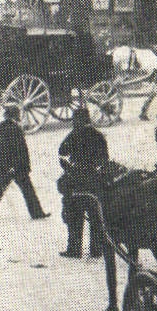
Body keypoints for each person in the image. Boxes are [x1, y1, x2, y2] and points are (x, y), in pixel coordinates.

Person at [57, 105, 108, 258]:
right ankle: (96, 249)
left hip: (76, 182)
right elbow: (105, 159)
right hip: (94, 182)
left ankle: (74, 249)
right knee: (95, 218)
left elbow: (62, 153)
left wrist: (69, 169)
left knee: (74, 218)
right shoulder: (98, 136)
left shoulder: (74, 135)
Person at [0, 104, 49, 221]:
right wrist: (15, 166)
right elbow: (16, 149)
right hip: (16, 166)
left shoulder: (5, 127)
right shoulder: (12, 128)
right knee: (27, 190)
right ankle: (37, 213)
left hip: (9, 166)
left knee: (1, 188)